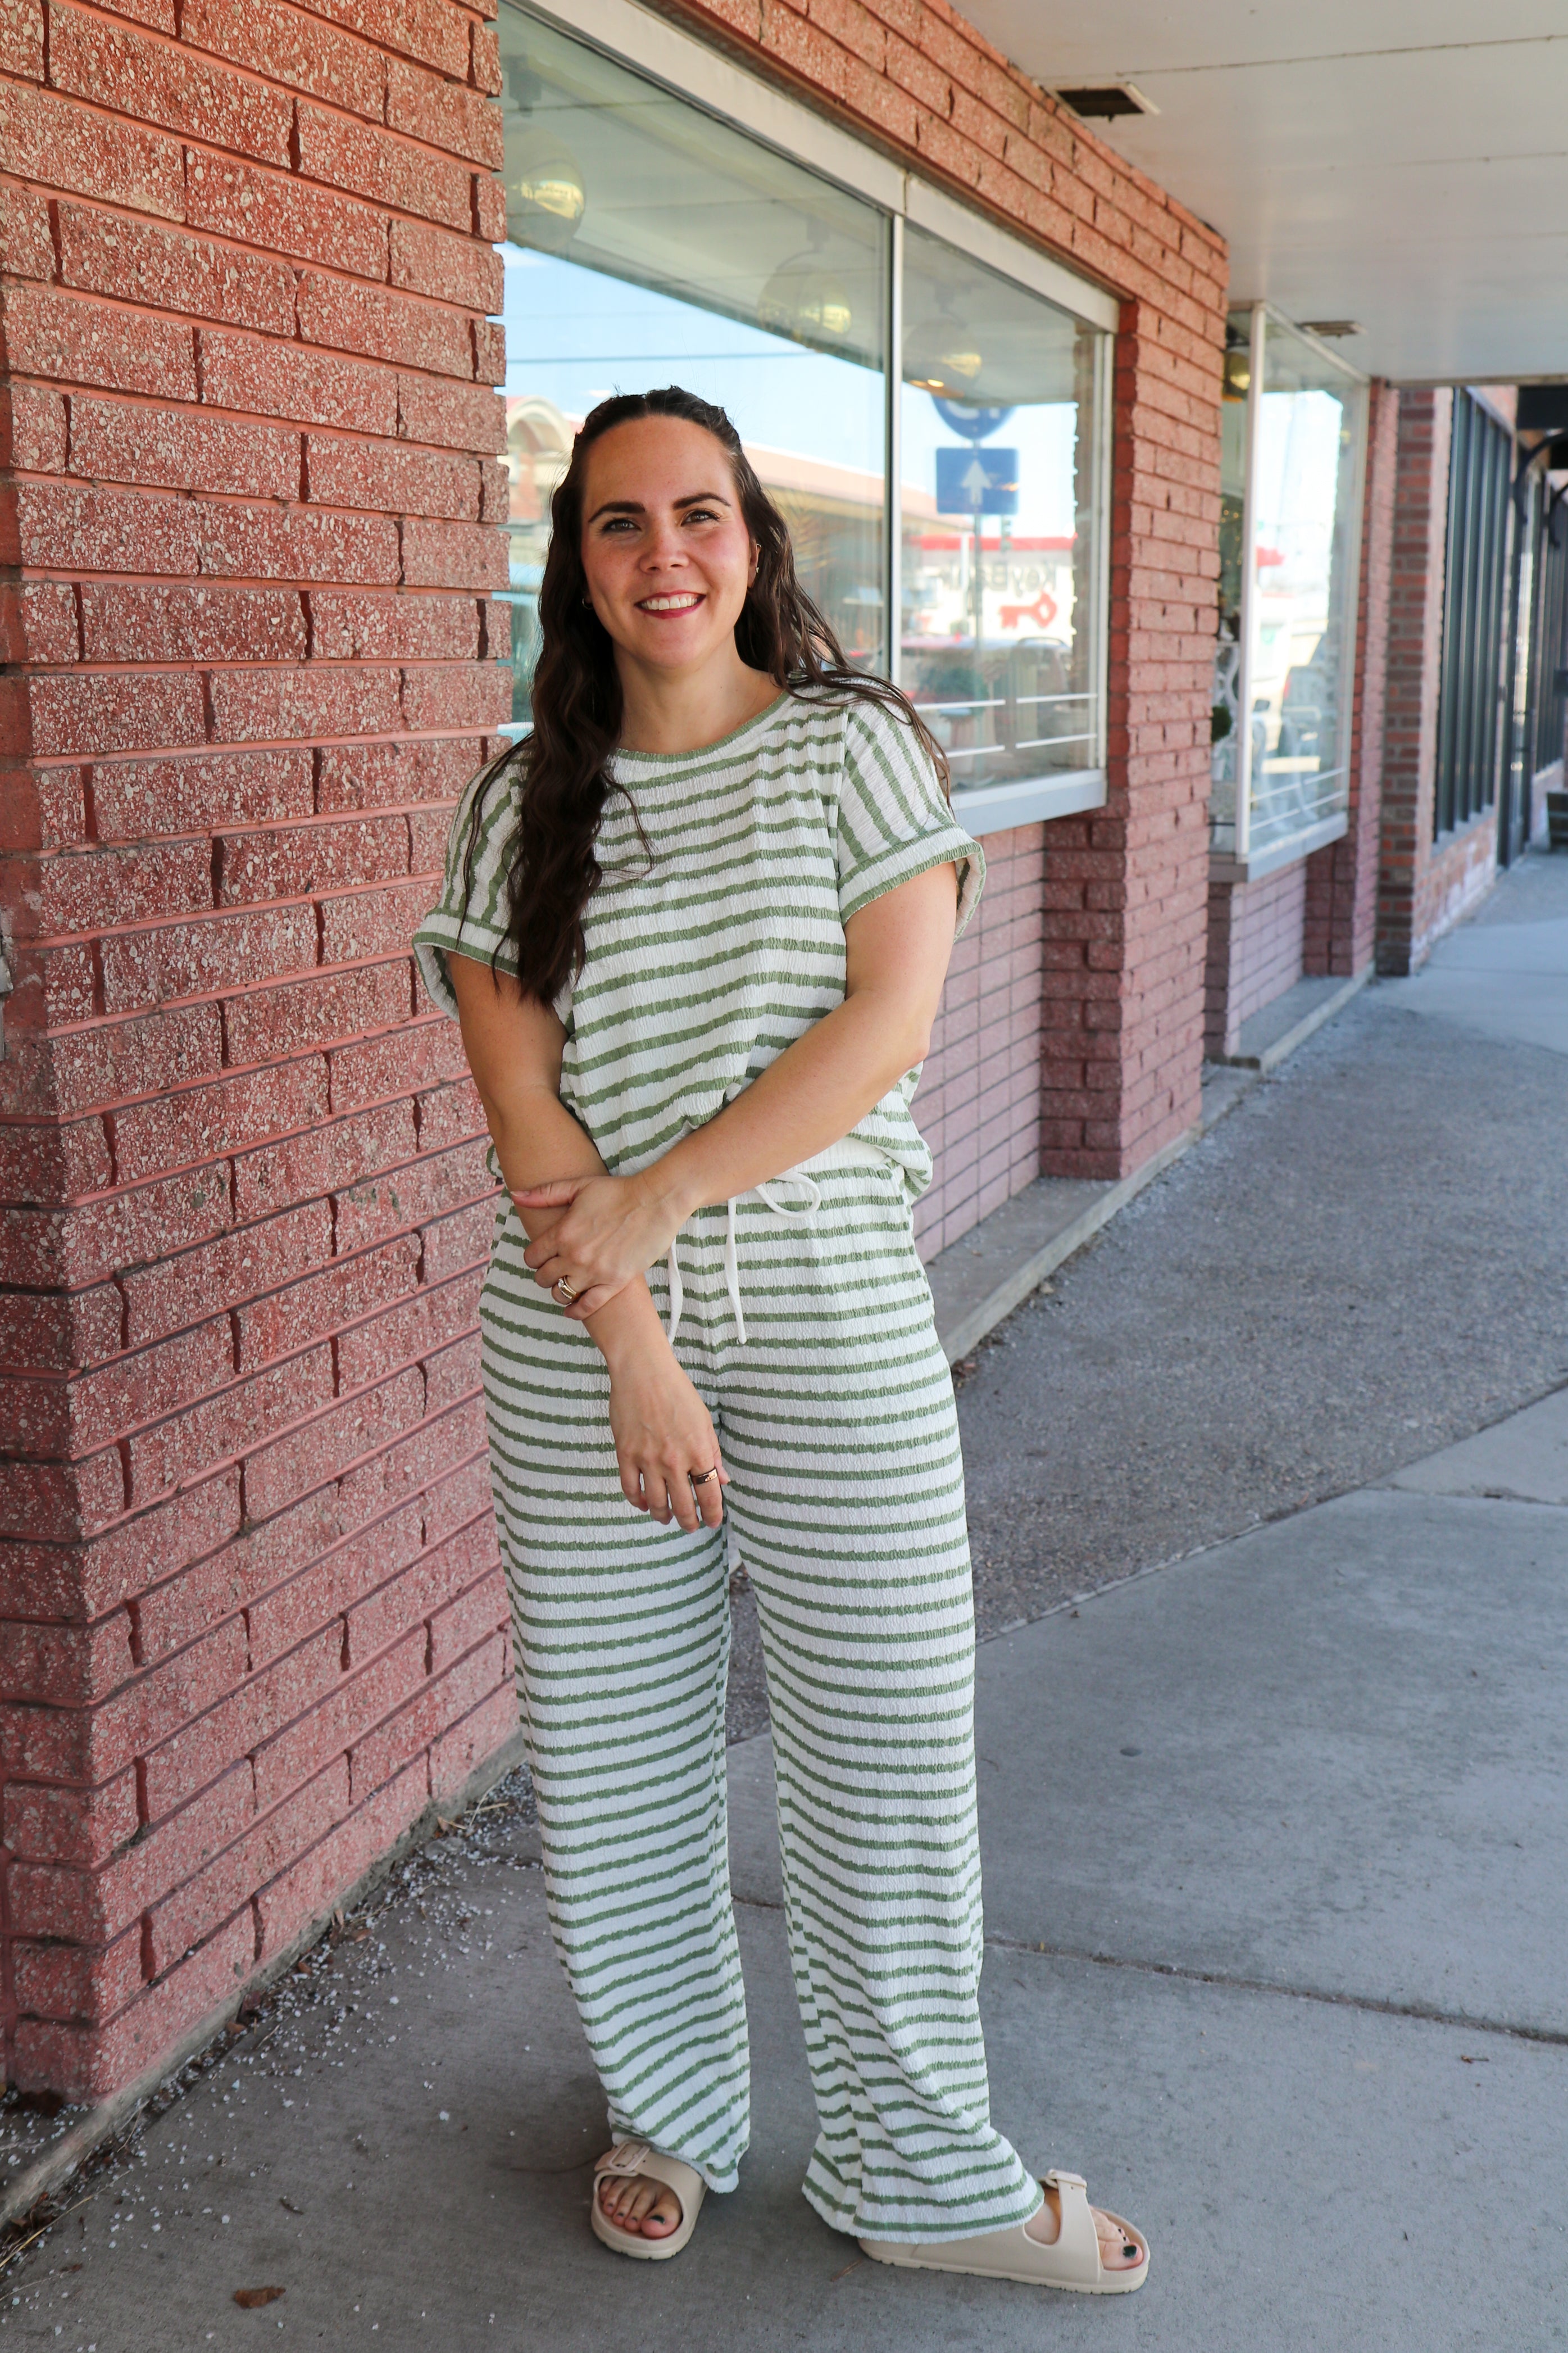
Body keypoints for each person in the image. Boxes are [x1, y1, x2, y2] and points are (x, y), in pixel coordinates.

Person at [413, 387, 1147, 2294]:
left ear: (754, 543)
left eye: (699, 515)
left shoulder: (856, 751)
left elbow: (883, 1030)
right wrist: (635, 1335)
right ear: (573, 565)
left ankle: (918, 2169)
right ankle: (671, 2105)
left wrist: (657, 1213)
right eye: (618, 524)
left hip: (827, 1311)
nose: (665, 553)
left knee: (889, 1738)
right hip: (583, 1342)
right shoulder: (516, 803)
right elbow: (521, 1109)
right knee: (618, 1746)